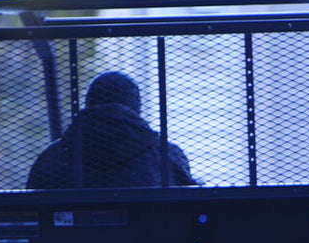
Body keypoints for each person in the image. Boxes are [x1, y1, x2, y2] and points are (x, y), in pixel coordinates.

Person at [26, 71, 196, 189]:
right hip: (152, 241)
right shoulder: (167, 156)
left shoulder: (51, 159)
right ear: (136, 106)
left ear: (88, 103)